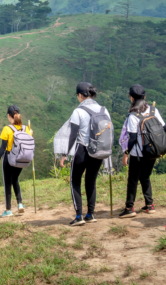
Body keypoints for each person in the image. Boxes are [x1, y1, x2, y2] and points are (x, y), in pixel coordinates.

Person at [59, 82, 108, 226]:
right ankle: (90, 214)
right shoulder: (103, 110)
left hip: (82, 151)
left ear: (80, 95)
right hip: (98, 151)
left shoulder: (78, 111)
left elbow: (73, 136)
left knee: (75, 181)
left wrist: (64, 154)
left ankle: (79, 216)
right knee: (91, 182)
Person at [119, 85, 165, 218]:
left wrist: (126, 153)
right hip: (152, 151)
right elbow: (163, 127)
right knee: (145, 176)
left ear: (132, 98)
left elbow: (132, 138)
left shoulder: (133, 115)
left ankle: (129, 208)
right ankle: (150, 205)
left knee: (133, 179)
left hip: (138, 154)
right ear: (144, 97)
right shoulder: (153, 110)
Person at [0, 105, 32, 217]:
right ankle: (20, 204)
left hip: (9, 159)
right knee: (15, 180)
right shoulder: (26, 128)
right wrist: (30, 133)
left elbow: (3, 147)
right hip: (22, 159)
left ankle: (8, 210)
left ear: (9, 116)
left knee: (8, 183)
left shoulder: (7, 129)